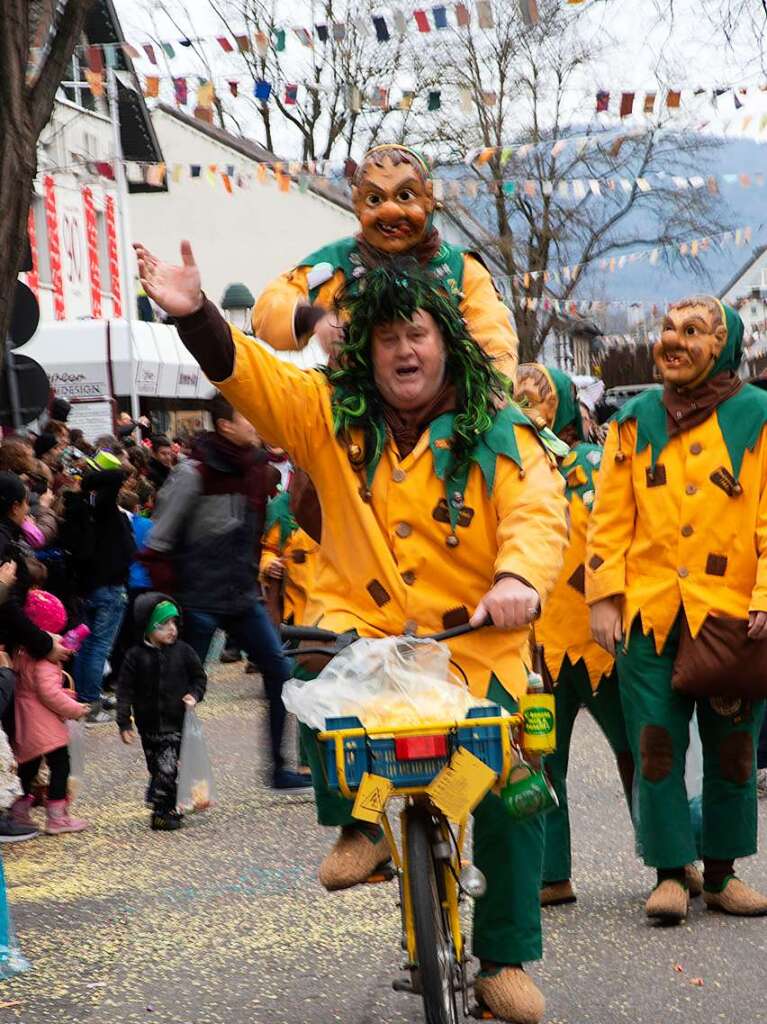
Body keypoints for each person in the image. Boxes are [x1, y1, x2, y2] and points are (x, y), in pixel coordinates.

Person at [135, 239, 568, 1024]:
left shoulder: (499, 426)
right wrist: (196, 314)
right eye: (386, 338)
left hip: (474, 640)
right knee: (328, 704)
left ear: (446, 342)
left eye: (418, 336)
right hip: (363, 631)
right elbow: (257, 380)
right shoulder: (329, 411)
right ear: (366, 351)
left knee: (508, 797)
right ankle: (361, 824)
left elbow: (539, 512)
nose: (404, 350)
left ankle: (503, 959)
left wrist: (517, 580)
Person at [587, 296, 767, 924]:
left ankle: (721, 873)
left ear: (722, 344)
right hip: (648, 615)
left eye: (692, 331)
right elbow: (608, 516)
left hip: (732, 618)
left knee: (732, 748)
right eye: (668, 328)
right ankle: (670, 871)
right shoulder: (634, 420)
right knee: (655, 744)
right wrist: (604, 596)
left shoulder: (759, 416)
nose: (673, 340)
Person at [514, 364, 638, 908]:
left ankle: (552, 873)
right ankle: (672, 860)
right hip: (556, 646)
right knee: (630, 753)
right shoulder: (521, 469)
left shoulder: (523, 469)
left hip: (589, 645)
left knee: (553, 758)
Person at [141, 396, 310, 793]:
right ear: (225, 426)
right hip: (197, 599)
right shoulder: (193, 474)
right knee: (183, 693)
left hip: (241, 595)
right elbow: (158, 542)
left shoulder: (255, 470)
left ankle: (279, 769)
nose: (255, 423)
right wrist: (168, 606)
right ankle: (163, 780)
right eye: (246, 417)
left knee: (278, 669)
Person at [252, 143, 518, 378]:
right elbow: (270, 309)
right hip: (358, 417)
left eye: (405, 196)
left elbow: (495, 342)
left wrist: (491, 399)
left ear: (428, 199)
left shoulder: (462, 269)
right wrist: (312, 317)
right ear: (357, 205)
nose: (390, 211)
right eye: (375, 199)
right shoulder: (337, 264)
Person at [116, 594, 207, 831]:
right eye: (163, 625)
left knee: (167, 768)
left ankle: (160, 812)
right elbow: (124, 691)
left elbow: (199, 677)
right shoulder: (135, 656)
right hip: (148, 726)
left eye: (174, 623)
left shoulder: (184, 652)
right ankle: (169, 802)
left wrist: (194, 695)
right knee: (157, 769)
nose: (171, 630)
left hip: (176, 723)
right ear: (147, 627)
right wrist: (124, 722)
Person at [60, 458, 135, 722]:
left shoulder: (81, 511)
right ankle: (90, 702)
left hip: (89, 587)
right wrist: (91, 479)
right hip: (109, 587)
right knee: (99, 646)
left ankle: (85, 697)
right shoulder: (103, 511)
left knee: (88, 644)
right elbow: (116, 475)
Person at [11, 590, 89, 835]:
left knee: (29, 767)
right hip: (43, 722)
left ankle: (18, 810)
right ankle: (57, 816)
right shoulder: (45, 658)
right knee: (60, 764)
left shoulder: (21, 650)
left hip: (25, 719)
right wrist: (75, 708)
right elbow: (48, 693)